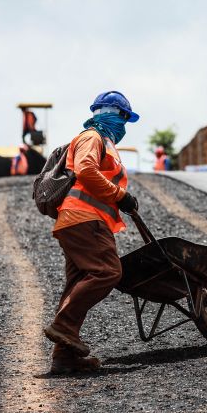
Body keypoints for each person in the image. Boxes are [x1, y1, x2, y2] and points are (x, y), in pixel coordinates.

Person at [43, 90, 141, 375]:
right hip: (86, 220)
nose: (124, 126)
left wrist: (120, 200)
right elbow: (86, 170)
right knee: (108, 272)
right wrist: (120, 195)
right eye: (123, 118)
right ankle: (63, 326)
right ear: (113, 114)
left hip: (76, 222)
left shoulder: (103, 142)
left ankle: (64, 357)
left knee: (77, 284)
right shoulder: (92, 138)